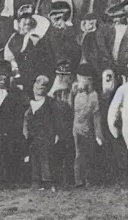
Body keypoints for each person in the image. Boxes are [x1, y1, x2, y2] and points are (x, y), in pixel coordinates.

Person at [0, 60, 27, 189]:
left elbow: (19, 118)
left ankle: (11, 181)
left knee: (10, 157)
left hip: (11, 136)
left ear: (9, 77)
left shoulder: (17, 95)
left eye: (3, 74)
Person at [23, 75, 59, 191]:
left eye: (44, 85)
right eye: (38, 83)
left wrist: (56, 133)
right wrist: (26, 132)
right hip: (33, 137)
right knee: (34, 158)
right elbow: (26, 120)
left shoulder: (49, 104)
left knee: (46, 159)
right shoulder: (30, 105)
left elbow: (55, 120)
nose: (40, 86)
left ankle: (47, 181)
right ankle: (36, 181)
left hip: (46, 136)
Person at [72, 62, 102, 188]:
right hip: (77, 128)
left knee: (90, 153)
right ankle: (78, 180)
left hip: (89, 128)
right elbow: (72, 109)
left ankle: (90, 179)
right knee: (79, 155)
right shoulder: (75, 93)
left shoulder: (94, 96)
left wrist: (98, 133)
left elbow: (96, 115)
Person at [48, 60, 75, 188]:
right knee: (57, 154)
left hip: (71, 126)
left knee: (71, 154)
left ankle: (70, 179)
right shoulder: (53, 94)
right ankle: (57, 181)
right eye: (61, 75)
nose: (64, 78)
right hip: (58, 127)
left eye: (67, 75)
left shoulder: (73, 91)